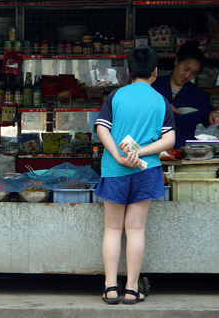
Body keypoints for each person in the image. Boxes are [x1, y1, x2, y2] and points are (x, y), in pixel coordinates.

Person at [94, 47, 175, 305]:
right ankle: (131, 289)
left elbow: (101, 128)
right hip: (146, 169)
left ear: (127, 72)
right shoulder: (160, 100)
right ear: (155, 72)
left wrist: (119, 156)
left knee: (113, 228)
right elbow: (170, 139)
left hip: (115, 170)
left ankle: (110, 288)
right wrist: (142, 152)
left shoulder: (116, 96)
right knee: (136, 229)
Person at [151, 40, 219, 149]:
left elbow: (210, 122)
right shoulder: (154, 86)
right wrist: (160, 108)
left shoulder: (199, 95)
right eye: (186, 69)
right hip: (153, 152)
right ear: (176, 63)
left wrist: (216, 118)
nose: (187, 75)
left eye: (193, 73)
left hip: (186, 154)